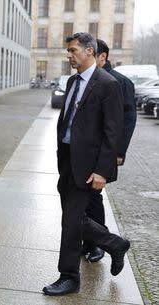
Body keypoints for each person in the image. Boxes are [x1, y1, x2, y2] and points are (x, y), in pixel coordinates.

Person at [43, 33, 130, 296]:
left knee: (70, 222)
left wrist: (102, 170)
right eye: (68, 51)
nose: (68, 55)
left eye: (73, 51)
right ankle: (115, 244)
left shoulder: (107, 84)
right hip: (68, 160)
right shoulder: (71, 82)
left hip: (89, 165)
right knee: (74, 219)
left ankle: (69, 276)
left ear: (90, 51)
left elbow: (112, 132)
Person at [81, 39, 137, 263]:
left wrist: (119, 152)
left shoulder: (120, 82)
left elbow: (127, 120)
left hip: (105, 151)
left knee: (93, 197)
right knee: (86, 198)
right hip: (87, 150)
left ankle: (100, 244)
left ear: (102, 57)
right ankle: (93, 242)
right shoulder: (89, 79)